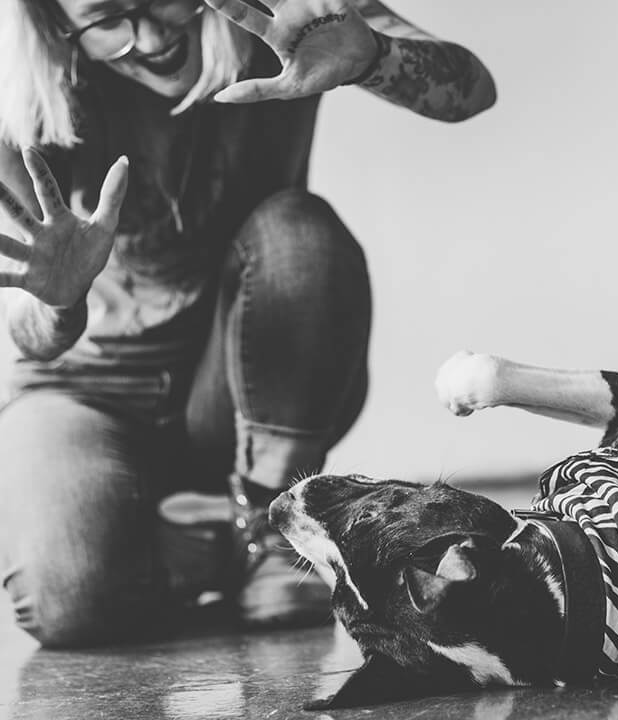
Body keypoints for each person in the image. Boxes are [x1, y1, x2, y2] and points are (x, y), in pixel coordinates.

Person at [0, 0, 496, 648]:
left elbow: (472, 90)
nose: (148, 37)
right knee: (67, 605)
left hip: (251, 375)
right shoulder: (22, 91)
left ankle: (268, 522)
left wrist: (372, 57)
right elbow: (29, 334)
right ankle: (210, 541)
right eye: (106, 18)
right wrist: (59, 300)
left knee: (300, 230)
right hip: (84, 391)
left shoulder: (283, 14)